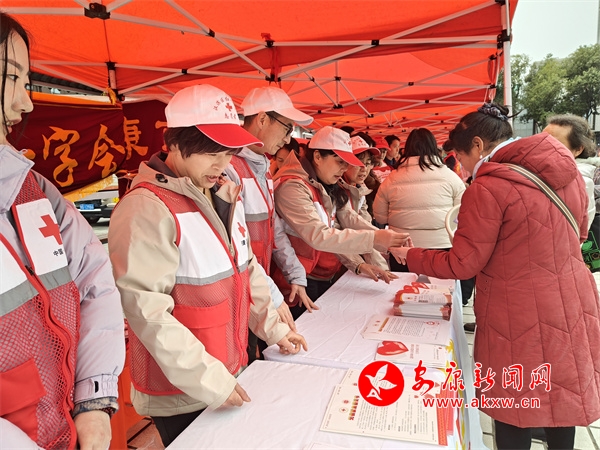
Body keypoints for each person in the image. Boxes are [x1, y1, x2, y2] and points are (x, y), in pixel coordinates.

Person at [391, 103, 600, 450]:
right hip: (571, 298)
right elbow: (579, 233)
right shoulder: (569, 173)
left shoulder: (488, 187)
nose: (462, 167)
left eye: (460, 158)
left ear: (477, 145)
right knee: (560, 397)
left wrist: (410, 255)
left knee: (514, 403)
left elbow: (463, 264)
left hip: (517, 309)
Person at [108, 84, 307, 447]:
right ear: (174, 144)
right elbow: (147, 313)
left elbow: (245, 270)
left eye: (228, 153)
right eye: (211, 153)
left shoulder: (222, 192)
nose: (222, 165)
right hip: (182, 390)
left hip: (227, 368)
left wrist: (275, 329)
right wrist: (210, 380)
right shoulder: (147, 208)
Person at [0, 12, 125, 449]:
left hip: (65, 431)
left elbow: (94, 280)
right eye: (11, 78)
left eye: (25, 81)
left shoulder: (34, 191)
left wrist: (93, 397)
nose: (26, 104)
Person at [273, 126, 411, 318]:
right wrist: (376, 239)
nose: (344, 169)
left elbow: (347, 217)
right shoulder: (293, 186)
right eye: (340, 162)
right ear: (318, 156)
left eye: (347, 163)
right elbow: (319, 235)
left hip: (313, 272)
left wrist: (388, 241)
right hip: (293, 278)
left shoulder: (323, 182)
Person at [223, 86, 313, 361]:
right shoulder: (228, 169)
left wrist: (295, 274)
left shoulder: (263, 169)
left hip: (257, 291)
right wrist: (273, 295)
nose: (287, 139)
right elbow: (238, 249)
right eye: (286, 128)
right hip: (240, 294)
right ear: (262, 119)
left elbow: (275, 232)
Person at [543, 114, 599, 230]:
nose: (541, 146)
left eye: (553, 143)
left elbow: (577, 231)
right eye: (540, 140)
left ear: (578, 149)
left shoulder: (581, 181)